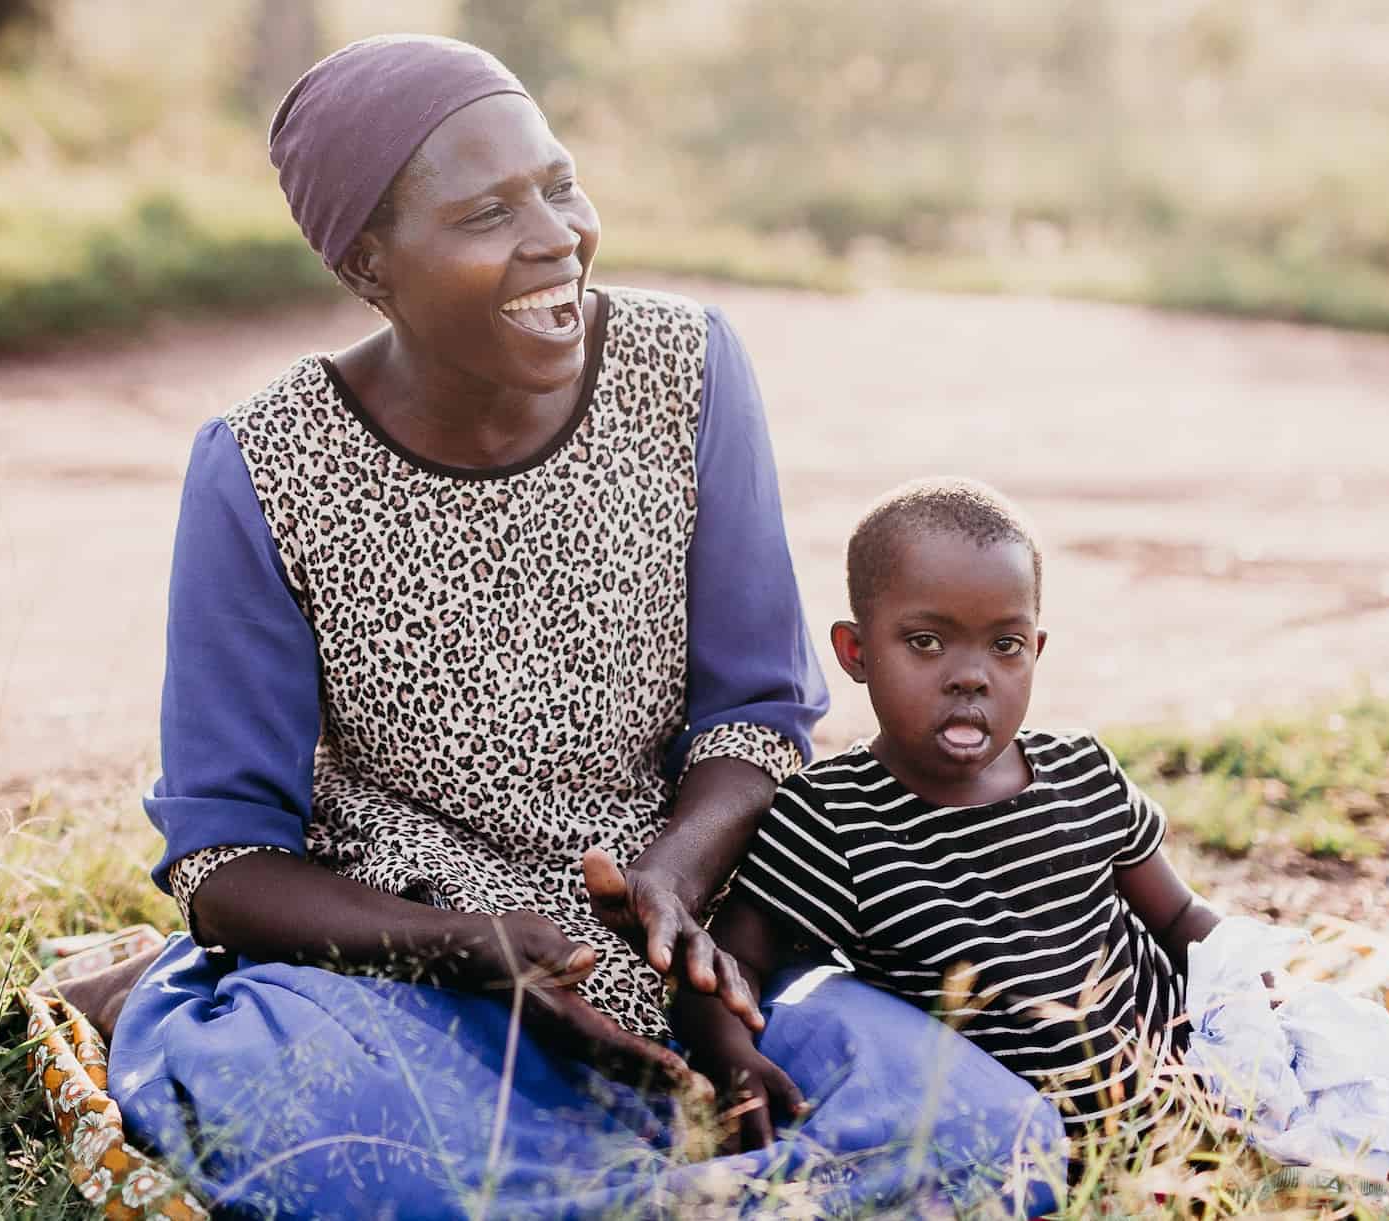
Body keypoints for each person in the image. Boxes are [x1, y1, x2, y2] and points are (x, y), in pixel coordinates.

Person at [95, 35, 1066, 1219]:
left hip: (694, 959)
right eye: (488, 211)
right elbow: (225, 859)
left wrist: (675, 879)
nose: (555, 236)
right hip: (403, 966)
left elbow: (754, 713)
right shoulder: (261, 467)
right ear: (367, 262)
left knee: (990, 1143)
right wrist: (468, 947)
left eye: (559, 184)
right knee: (333, 1148)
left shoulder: (687, 368)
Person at [672, 476, 1389, 1170]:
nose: (970, 674)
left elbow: (1180, 915)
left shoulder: (1080, 770)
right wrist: (734, 1058)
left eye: (1005, 645)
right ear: (855, 651)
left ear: (1036, 651)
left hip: (1214, 1080)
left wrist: (1259, 995)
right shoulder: (834, 817)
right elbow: (729, 965)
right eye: (926, 641)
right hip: (1043, 1147)